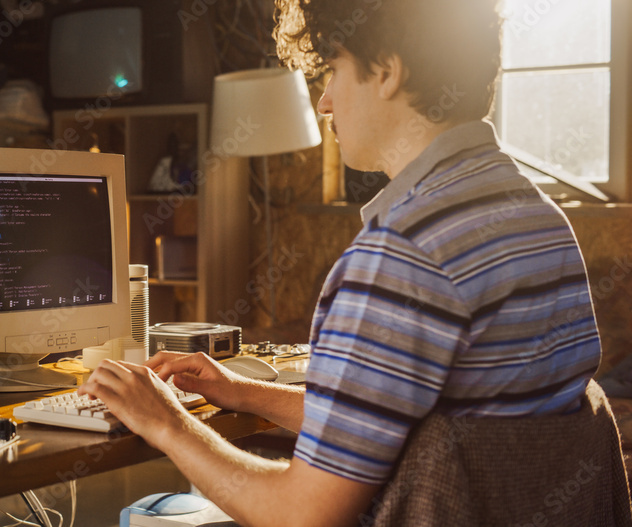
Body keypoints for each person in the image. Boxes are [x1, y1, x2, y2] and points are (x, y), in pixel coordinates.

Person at [79, 0, 616, 525]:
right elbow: (396, 418)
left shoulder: (399, 255)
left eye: (333, 70)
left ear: (387, 71)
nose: (325, 102)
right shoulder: (536, 216)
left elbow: (302, 513)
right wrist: (239, 390)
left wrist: (168, 422)